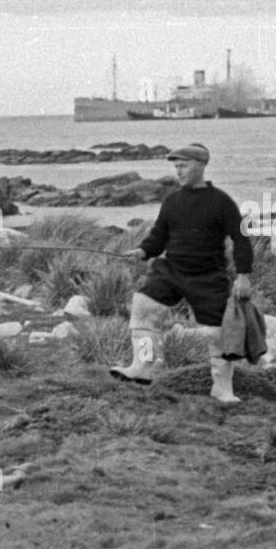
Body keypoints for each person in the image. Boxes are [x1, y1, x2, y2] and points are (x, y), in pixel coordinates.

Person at [109, 143, 252, 403]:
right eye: (176, 167)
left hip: (209, 277)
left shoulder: (222, 202)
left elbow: (242, 239)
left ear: (201, 165)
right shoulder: (172, 201)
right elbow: (158, 237)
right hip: (171, 271)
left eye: (184, 166)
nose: (179, 171)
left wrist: (243, 276)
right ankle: (143, 366)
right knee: (142, 307)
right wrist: (142, 252)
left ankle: (222, 388)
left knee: (218, 332)